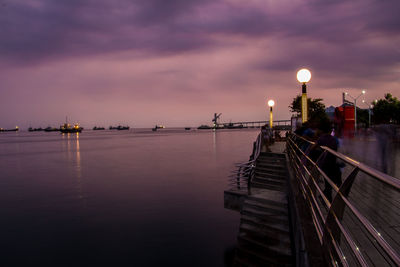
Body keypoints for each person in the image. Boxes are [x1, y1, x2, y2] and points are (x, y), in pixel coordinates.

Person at [312, 122, 342, 202]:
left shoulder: (322, 138)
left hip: (324, 163)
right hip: (333, 162)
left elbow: (313, 147)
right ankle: (327, 196)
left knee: (327, 180)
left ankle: (327, 197)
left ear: (321, 130)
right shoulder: (333, 139)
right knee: (329, 180)